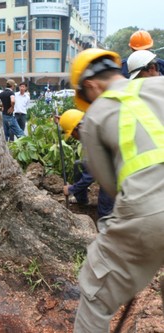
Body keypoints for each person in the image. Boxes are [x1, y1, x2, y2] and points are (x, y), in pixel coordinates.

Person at [70, 48, 164, 332]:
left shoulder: (97, 113)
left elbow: (110, 184)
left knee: (95, 295)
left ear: (90, 85)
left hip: (147, 211)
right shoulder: (159, 85)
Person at [58, 109, 114, 219]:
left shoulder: (92, 140)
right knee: (79, 164)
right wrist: (64, 121)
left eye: (72, 134)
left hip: (116, 171)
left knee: (104, 211)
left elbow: (90, 175)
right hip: (109, 164)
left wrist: (71, 189)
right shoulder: (89, 126)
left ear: (77, 129)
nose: (73, 137)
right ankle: (82, 200)